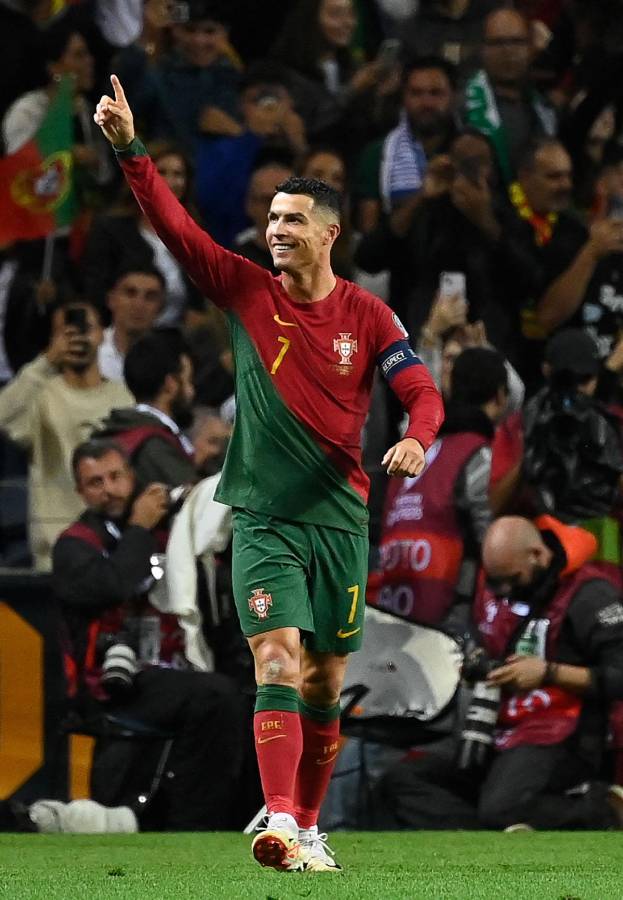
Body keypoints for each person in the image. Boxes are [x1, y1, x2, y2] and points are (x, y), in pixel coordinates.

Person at [94, 73, 443, 872]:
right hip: (262, 518)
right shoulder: (247, 291)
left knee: (322, 684)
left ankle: (307, 825)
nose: (274, 229)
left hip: (339, 521)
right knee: (275, 658)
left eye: (291, 220)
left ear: (328, 232)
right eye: (271, 217)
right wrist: (131, 150)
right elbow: (178, 230)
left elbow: (420, 391)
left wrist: (419, 439)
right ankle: (280, 818)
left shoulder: (368, 315)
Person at [374, 515, 623, 831]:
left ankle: (603, 810)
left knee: (503, 807)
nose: (503, 591)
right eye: (496, 582)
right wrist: (474, 659)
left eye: (511, 580)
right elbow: (476, 636)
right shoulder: (497, 587)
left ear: (537, 555)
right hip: (491, 728)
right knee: (402, 781)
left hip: (560, 734)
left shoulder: (590, 594)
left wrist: (548, 673)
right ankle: (491, 835)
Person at [52, 439, 251, 830]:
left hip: (172, 670)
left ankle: (247, 820)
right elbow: (113, 585)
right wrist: (140, 528)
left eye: (115, 476)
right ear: (80, 492)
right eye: (95, 482)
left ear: (133, 476)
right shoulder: (74, 545)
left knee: (243, 694)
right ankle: (196, 826)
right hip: (110, 686)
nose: (109, 489)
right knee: (215, 696)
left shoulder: (169, 528)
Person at [369, 347, 508, 632]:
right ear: (501, 396)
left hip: (391, 609)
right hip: (446, 621)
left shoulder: (413, 451)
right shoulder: (477, 455)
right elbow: (490, 542)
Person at [0, 299, 131, 569]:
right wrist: (46, 361)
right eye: (66, 331)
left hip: (114, 544)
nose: (78, 337)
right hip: (55, 549)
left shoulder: (123, 396)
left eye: (86, 328)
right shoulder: (39, 395)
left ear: (101, 334)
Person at [83, 141, 206, 325]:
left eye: (178, 174)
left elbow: (199, 301)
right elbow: (95, 291)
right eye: (161, 172)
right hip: (122, 336)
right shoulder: (109, 229)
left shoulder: (194, 236)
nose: (170, 182)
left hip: (178, 340)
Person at [355, 56, 458, 234]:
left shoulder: (473, 150)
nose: (426, 103)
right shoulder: (377, 154)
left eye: (436, 93)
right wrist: (421, 197)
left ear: (454, 96)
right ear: (403, 97)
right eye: (416, 93)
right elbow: (369, 241)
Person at [95, 329, 198, 490]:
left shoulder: (124, 429)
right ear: (170, 384)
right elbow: (195, 505)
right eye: (188, 381)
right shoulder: (154, 445)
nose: (192, 391)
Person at [464, 8, 557, 184]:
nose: (507, 51)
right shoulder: (463, 107)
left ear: (530, 48)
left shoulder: (545, 108)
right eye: (498, 43)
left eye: (516, 42)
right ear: (482, 49)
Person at [97, 266, 165, 382]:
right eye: (130, 293)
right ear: (111, 299)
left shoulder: (167, 359)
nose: (139, 305)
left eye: (150, 297)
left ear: (161, 307)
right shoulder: (92, 351)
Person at [233, 160, 296, 272]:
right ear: (250, 205)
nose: (277, 210)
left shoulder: (315, 261)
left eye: (285, 201)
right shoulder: (236, 263)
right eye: (268, 200)